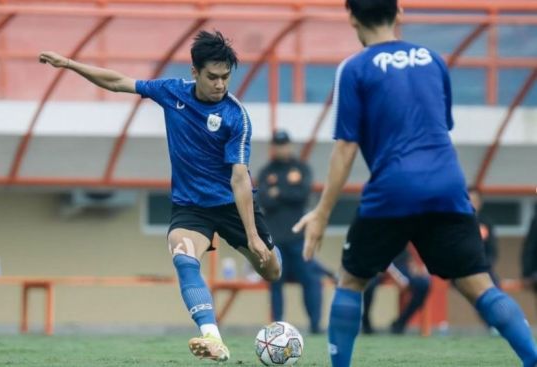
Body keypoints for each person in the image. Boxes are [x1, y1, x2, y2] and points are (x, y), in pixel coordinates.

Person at [292, 1, 537, 366]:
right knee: (478, 284)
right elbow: (442, 127)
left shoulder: (355, 68)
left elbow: (345, 148)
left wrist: (322, 213)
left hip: (393, 189)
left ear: (352, 18)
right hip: (447, 186)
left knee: (351, 281)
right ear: (400, 13)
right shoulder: (433, 60)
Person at [39, 30, 282, 363]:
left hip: (231, 205)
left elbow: (240, 178)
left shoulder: (235, 116)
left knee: (272, 271)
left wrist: (253, 236)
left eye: (226, 77)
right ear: (195, 72)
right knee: (183, 257)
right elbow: (117, 82)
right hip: (191, 207)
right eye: (212, 77)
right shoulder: (172, 92)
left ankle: (263, 249)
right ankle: (212, 337)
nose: (220, 84)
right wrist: (68, 63)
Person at [257, 130, 334, 335]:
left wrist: (278, 191)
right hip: (275, 241)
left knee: (311, 281)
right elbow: (263, 199)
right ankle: (277, 329)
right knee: (275, 284)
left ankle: (316, 325)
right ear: (273, 147)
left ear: (289, 146)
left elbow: (303, 194)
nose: (281, 148)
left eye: (284, 144)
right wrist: (285, 192)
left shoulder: (301, 168)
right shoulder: (266, 172)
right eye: (277, 145)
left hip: (298, 240)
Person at [361, 245, 431, 335]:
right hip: (377, 263)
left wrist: (413, 266)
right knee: (369, 285)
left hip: (401, 264)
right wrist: (397, 277)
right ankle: (366, 323)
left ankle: (401, 322)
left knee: (423, 284)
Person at [469, 187, 500, 286]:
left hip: (483, 269)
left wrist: (484, 266)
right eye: (468, 200)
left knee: (494, 285)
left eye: (474, 201)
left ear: (480, 203)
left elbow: (492, 250)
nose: (471, 204)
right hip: (461, 270)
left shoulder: (486, 223)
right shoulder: (455, 223)